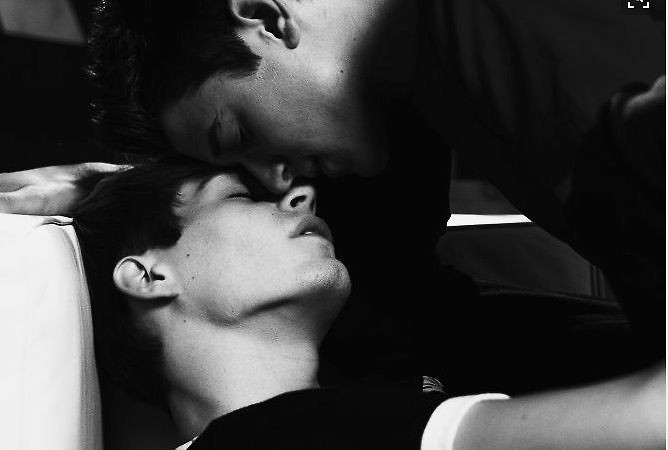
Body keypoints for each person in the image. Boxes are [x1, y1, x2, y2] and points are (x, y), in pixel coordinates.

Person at [1, 0, 664, 375]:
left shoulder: (513, 37)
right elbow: (392, 297)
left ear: (264, 16)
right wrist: (124, 195)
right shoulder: (396, 89)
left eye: (238, 135)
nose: (277, 178)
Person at [73, 157, 664, 450]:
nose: (299, 195)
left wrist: (89, 188)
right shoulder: (279, 437)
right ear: (149, 275)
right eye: (239, 197)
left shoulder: (374, 377)